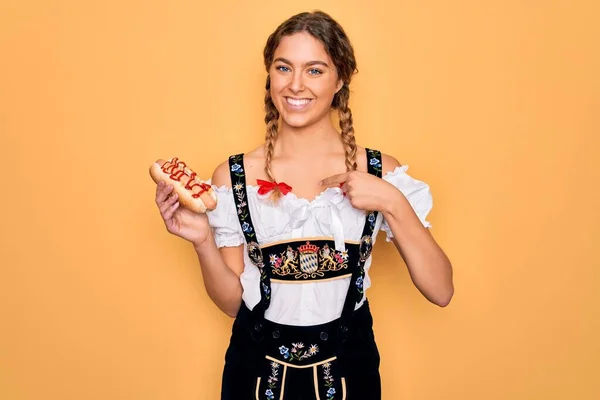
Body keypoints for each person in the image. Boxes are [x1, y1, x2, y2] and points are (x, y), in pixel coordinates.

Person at [154, 10, 453, 400]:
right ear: (270, 74)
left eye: (314, 70)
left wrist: (392, 201)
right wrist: (202, 242)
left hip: (350, 377)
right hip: (254, 378)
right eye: (283, 68)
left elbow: (441, 290)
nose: (295, 85)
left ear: (340, 79)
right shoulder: (234, 177)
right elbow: (231, 304)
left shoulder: (382, 173)